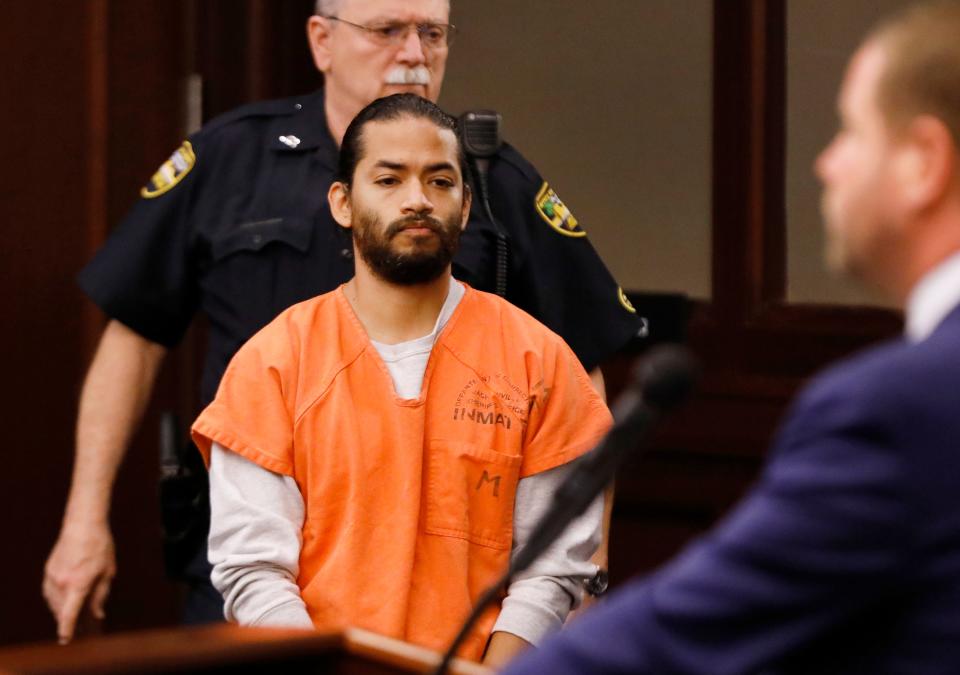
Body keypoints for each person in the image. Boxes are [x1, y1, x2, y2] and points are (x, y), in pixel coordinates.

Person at [42, 0, 640, 643]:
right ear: (321, 42)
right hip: (252, 555)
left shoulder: (491, 177)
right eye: (387, 31)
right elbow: (135, 333)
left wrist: (586, 573)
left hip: (461, 580)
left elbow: (575, 376)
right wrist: (84, 517)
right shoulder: (229, 158)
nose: (413, 53)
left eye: (431, 33)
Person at [504, 2, 960, 673]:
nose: (827, 164)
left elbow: (677, 639)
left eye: (850, 132)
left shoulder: (899, 410)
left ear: (924, 161)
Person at [191, 93, 612, 666]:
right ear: (342, 201)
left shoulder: (539, 361)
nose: (417, 199)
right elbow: (253, 571)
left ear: (466, 205)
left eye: (440, 182)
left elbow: (553, 568)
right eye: (388, 180)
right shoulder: (273, 363)